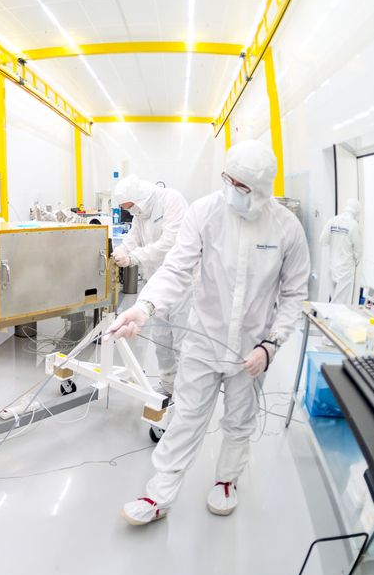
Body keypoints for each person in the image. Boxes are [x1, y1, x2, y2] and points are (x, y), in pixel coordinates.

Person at [110, 140, 310, 524]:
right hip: (204, 338)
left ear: (263, 188)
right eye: (228, 179)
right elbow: (176, 268)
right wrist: (144, 306)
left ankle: (226, 481)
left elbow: (293, 293)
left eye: (242, 185)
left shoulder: (287, 229)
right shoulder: (204, 213)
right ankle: (159, 496)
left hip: (251, 349)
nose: (231, 189)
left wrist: (272, 345)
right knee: (186, 415)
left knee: (240, 418)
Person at [111, 174, 190, 395]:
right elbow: (133, 236)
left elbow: (171, 243)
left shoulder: (171, 200)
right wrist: (123, 250)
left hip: (183, 282)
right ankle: (167, 386)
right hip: (157, 282)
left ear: (140, 199)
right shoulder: (141, 212)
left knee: (183, 340)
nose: (132, 212)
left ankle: (185, 393)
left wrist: (135, 257)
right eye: (129, 209)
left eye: (132, 207)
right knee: (162, 338)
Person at [320, 199, 362, 305]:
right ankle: (333, 321)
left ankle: (329, 320)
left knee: (333, 298)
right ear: (356, 212)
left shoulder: (332, 221)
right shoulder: (354, 225)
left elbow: (322, 241)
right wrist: (356, 260)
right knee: (340, 303)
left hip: (332, 267)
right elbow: (358, 250)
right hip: (345, 269)